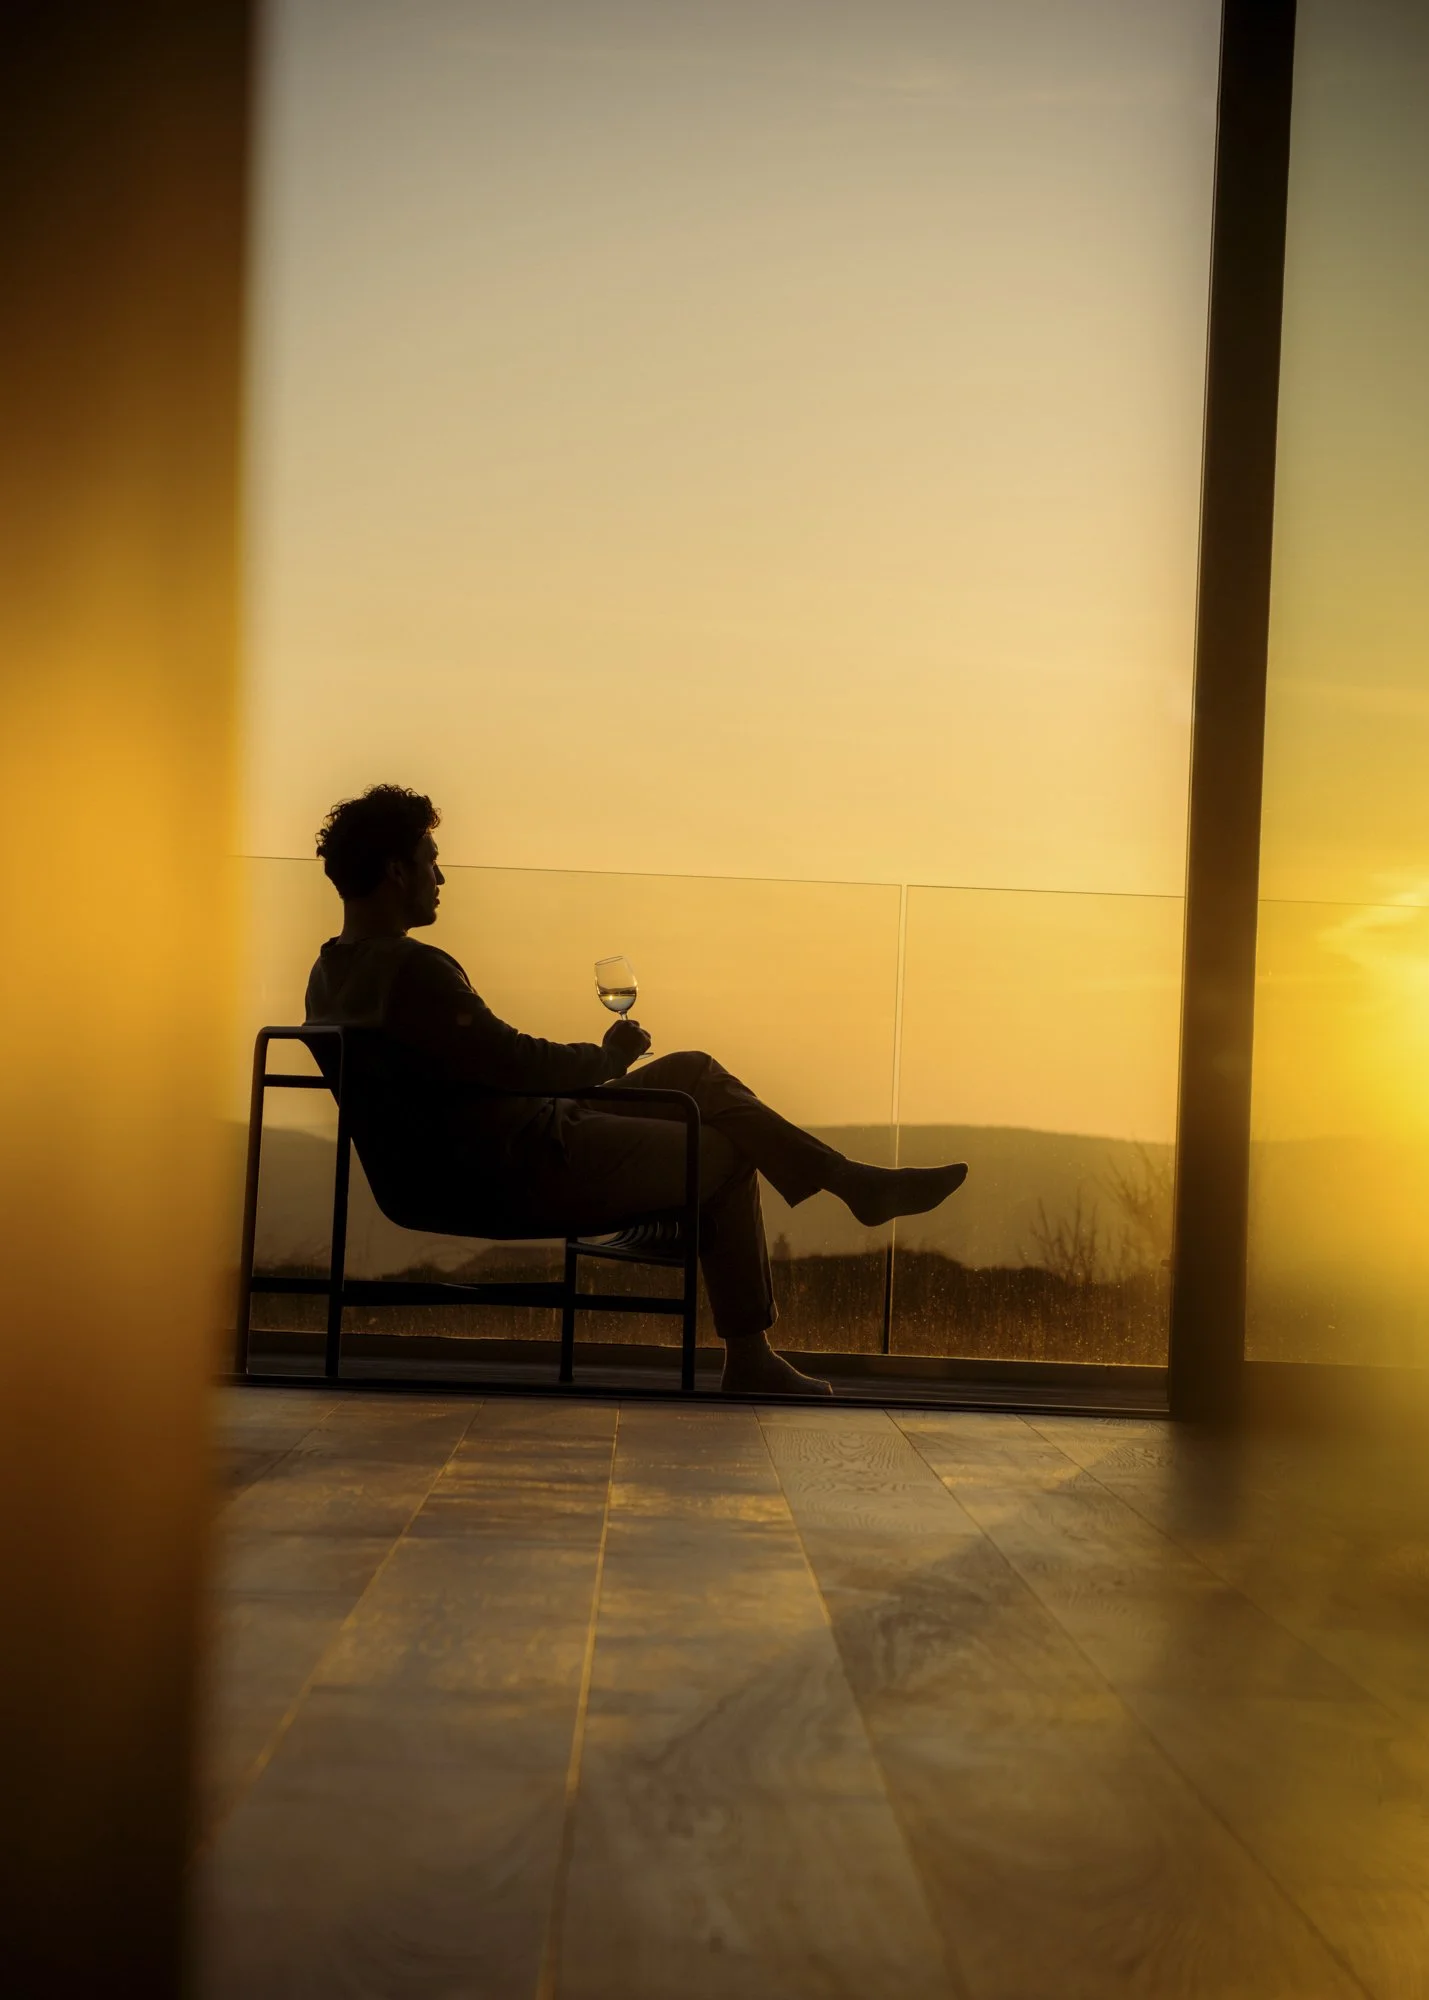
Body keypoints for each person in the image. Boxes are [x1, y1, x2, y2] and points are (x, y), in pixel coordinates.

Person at [304, 785, 968, 1396]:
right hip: (524, 1165)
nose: (440, 876)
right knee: (730, 1147)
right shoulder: (414, 970)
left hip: (468, 1159)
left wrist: (600, 1067)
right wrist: (605, 1056)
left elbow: (479, 1067)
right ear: (396, 871)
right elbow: (512, 1059)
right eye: (431, 859)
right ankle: (751, 1353)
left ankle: (850, 1183)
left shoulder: (329, 975)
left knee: (690, 1070)